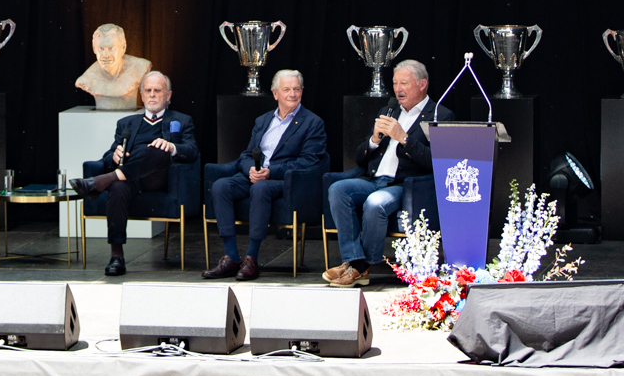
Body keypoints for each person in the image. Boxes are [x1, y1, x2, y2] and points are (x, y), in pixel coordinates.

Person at [322, 58, 452, 287]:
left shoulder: (440, 115)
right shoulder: (389, 109)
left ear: (422, 85)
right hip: (374, 179)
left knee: (375, 203)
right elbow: (361, 157)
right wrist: (373, 139)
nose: (398, 89)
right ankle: (355, 261)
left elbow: (435, 161)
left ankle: (361, 267)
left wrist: (403, 138)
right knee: (337, 189)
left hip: (406, 185)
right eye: (395, 83)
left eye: (404, 83)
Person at [203, 69, 329, 281]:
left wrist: (271, 172)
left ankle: (251, 258)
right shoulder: (263, 121)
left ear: (302, 92)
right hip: (257, 174)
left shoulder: (312, 122)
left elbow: (309, 161)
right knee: (220, 186)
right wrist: (250, 169)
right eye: (286, 89)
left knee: (260, 188)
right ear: (275, 94)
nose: (292, 94)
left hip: (285, 180)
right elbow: (246, 154)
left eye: (296, 89)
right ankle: (231, 257)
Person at [69, 70, 197, 276]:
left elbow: (191, 151)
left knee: (157, 149)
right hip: (131, 179)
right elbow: (107, 156)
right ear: (142, 94)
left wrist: (171, 147)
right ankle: (116, 256)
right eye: (148, 90)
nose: (153, 95)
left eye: (158, 90)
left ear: (168, 95)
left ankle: (100, 182)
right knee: (118, 187)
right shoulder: (127, 124)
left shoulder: (182, 121)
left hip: (159, 179)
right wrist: (114, 155)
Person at [74, 23, 153, 109]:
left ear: (123, 47)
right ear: (94, 49)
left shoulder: (140, 67)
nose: (106, 55)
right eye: (101, 49)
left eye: (111, 48)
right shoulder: (86, 79)